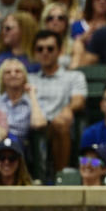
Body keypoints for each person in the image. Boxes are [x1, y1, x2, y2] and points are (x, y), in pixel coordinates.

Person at [29, 30, 87, 172]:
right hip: (33, 127)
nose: (45, 52)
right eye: (40, 49)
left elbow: (79, 100)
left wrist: (68, 109)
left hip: (60, 125)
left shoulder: (74, 76)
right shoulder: (29, 78)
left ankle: (60, 177)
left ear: (60, 51)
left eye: (50, 48)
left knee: (60, 124)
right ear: (35, 53)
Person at [0, 59, 47, 145]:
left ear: (24, 77)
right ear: (2, 78)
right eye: (8, 72)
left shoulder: (33, 101)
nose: (13, 75)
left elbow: (38, 124)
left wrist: (32, 94)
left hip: (20, 146)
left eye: (18, 71)